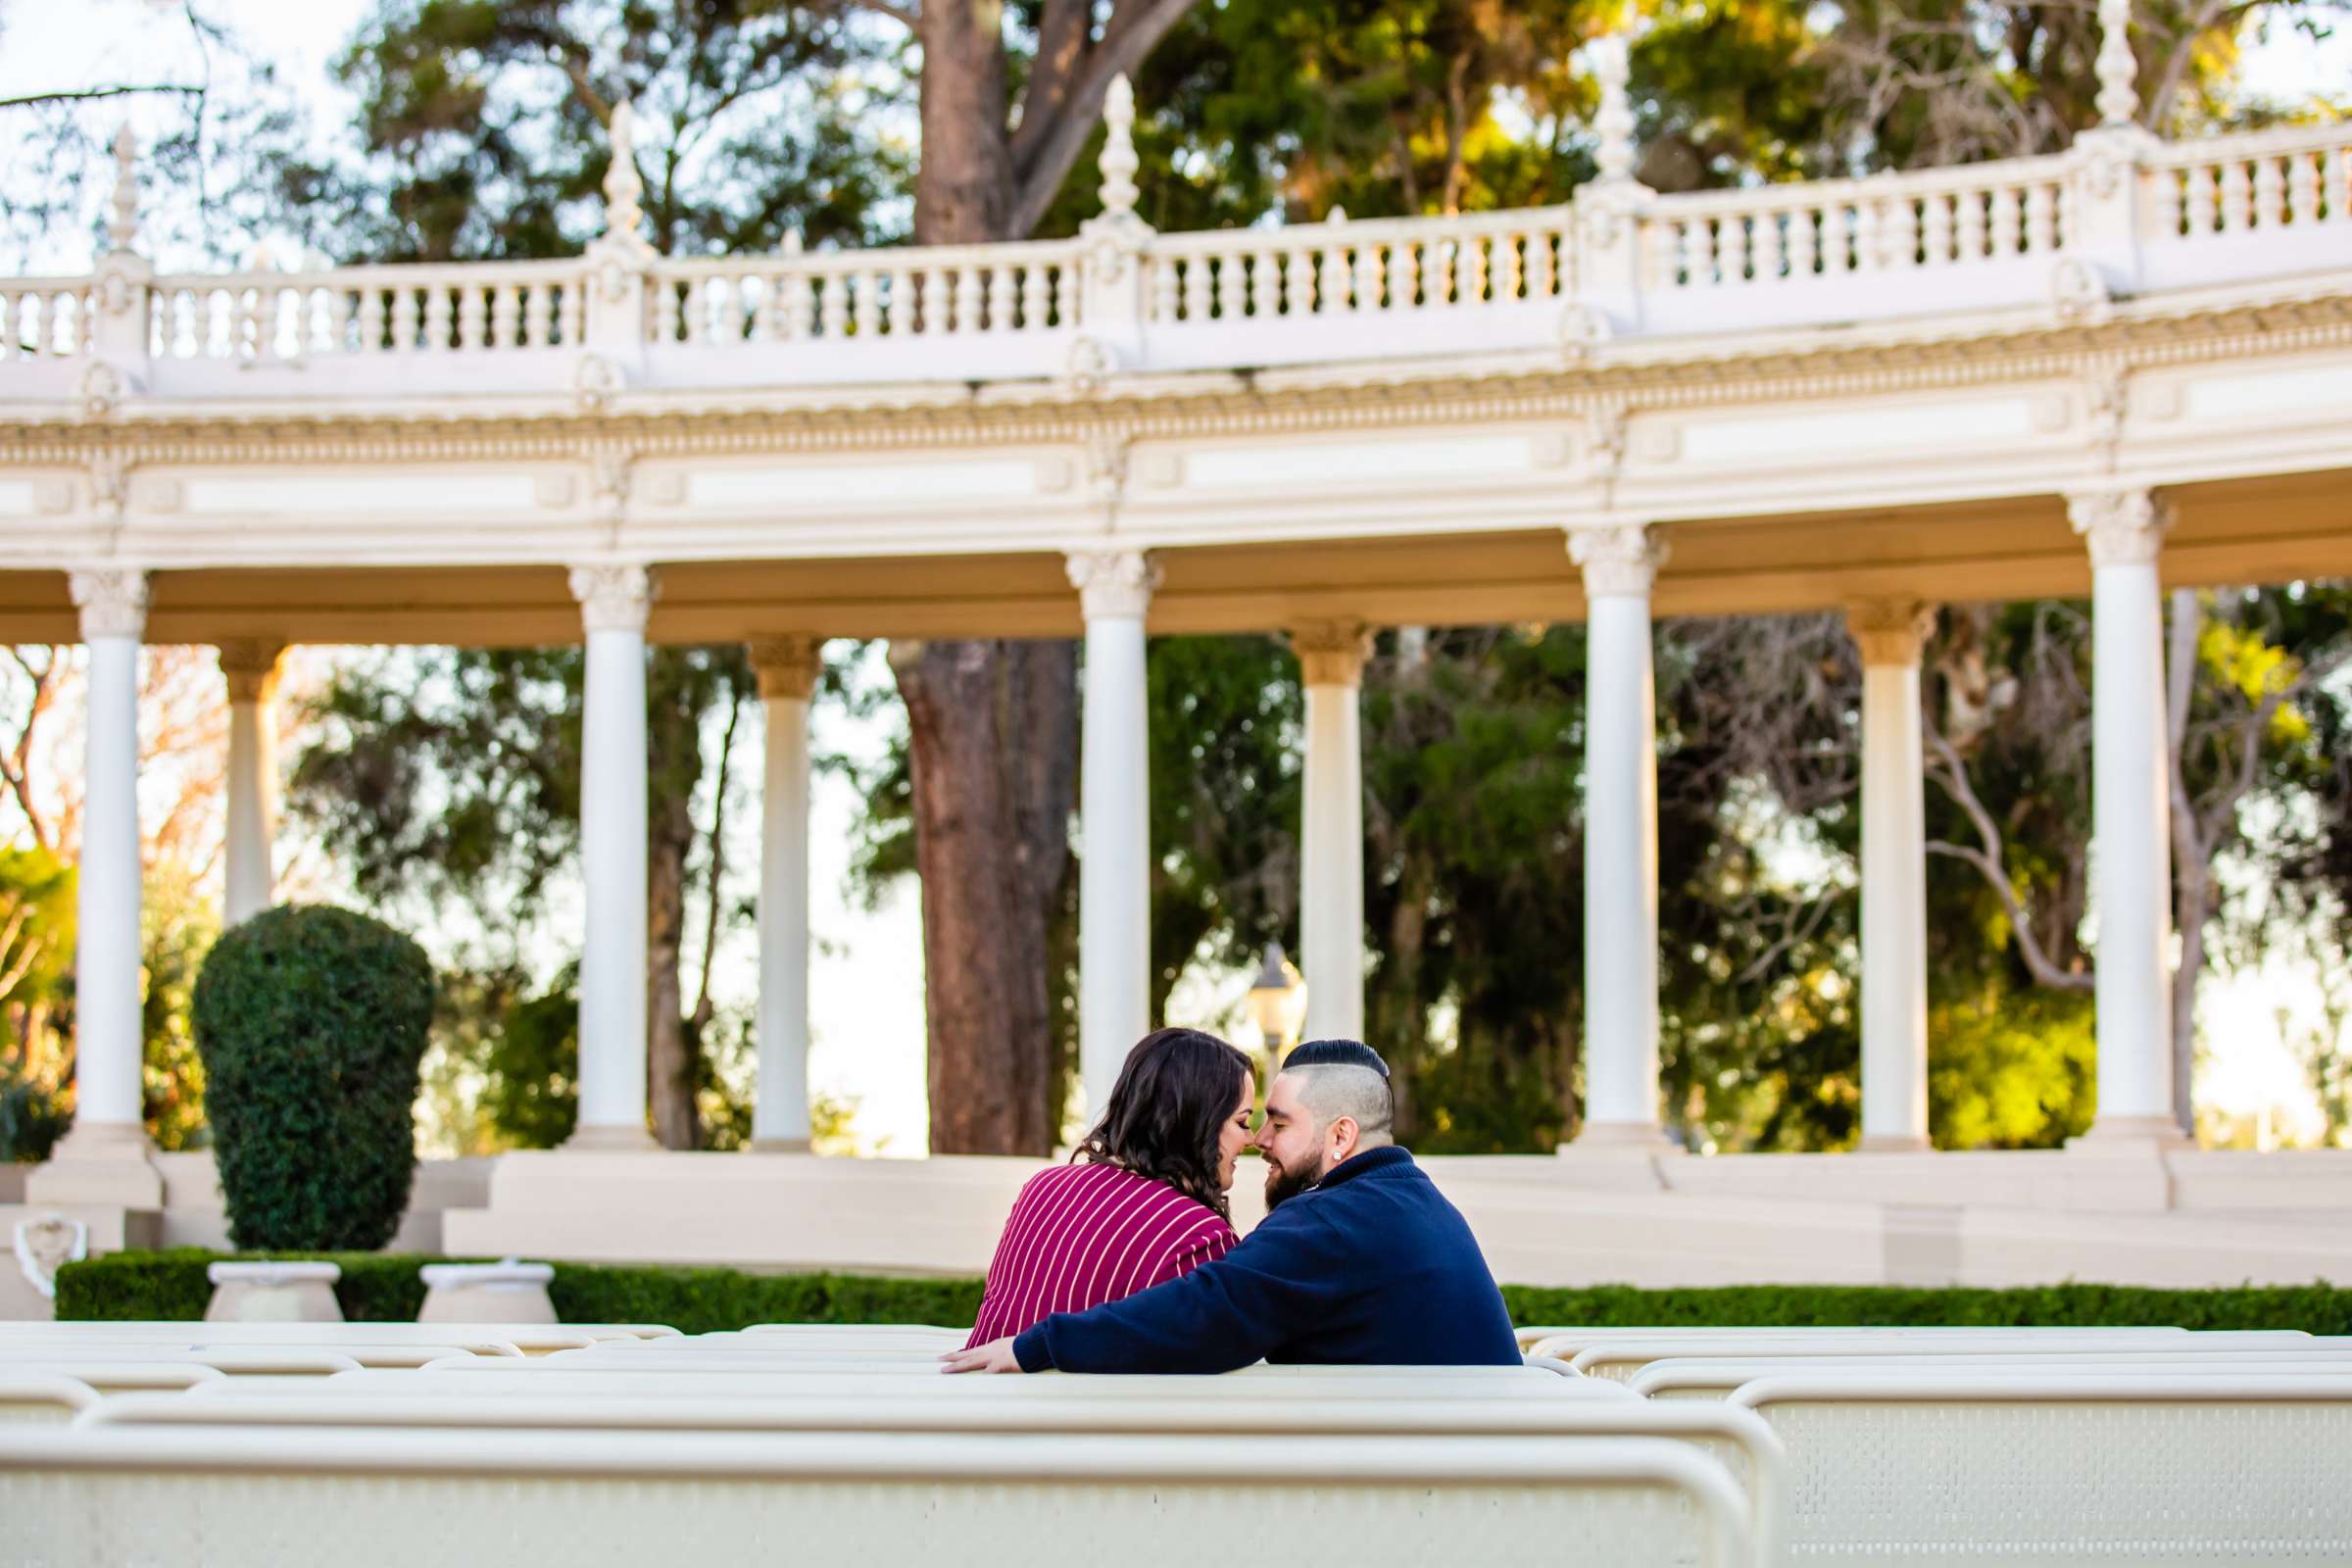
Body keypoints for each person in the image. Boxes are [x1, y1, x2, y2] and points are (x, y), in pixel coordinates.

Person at [942, 1038, 1521, 1374]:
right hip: (1460, 1473)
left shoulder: (1335, 1222)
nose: (1258, 1140)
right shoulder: (1411, 1203)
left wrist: (1038, 1344)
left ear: (1341, 1137)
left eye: (1278, 1122)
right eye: (1251, 1121)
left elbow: (1211, 1308)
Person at [959, 1026, 1257, 1348]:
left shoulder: (1042, 1189)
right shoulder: (1200, 1236)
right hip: (1085, 1398)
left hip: (975, 1392)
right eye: (1241, 1123)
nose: (1251, 1139)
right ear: (1198, 1120)